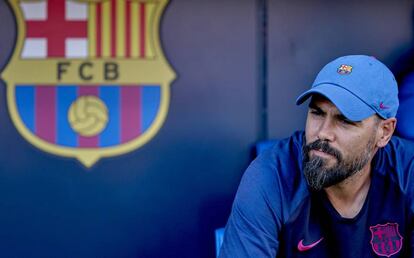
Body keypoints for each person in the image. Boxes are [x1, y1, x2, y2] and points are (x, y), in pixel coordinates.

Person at [219, 55, 414, 258]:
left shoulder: (408, 172)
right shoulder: (272, 176)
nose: (322, 132)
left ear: (384, 132)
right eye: (317, 113)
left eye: (345, 120)